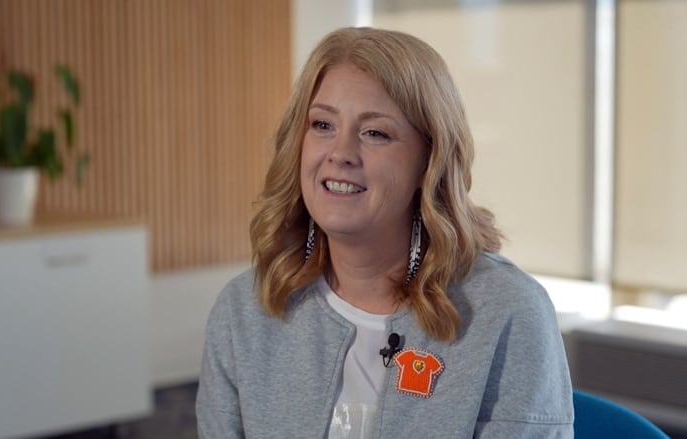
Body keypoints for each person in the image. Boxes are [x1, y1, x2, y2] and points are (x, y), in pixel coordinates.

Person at [196, 27, 573, 438]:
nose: (339, 154)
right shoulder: (244, 309)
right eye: (322, 125)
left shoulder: (507, 312)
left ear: (429, 162)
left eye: (374, 133)